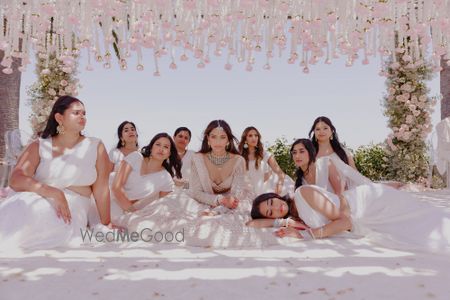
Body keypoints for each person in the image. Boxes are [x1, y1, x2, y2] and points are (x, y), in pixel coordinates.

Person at [250, 139, 450, 255]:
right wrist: (277, 221)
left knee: (427, 224)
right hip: (359, 214)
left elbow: (344, 220)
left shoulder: (303, 192)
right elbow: (252, 224)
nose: (275, 208)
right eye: (270, 212)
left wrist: (305, 235)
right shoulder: (294, 216)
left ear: (275, 196)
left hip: (367, 203)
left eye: (271, 202)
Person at [0, 96, 111, 251]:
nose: (82, 117)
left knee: (40, 215)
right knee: (22, 206)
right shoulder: (39, 145)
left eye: (84, 113)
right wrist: (53, 192)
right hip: (38, 196)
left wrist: (106, 223)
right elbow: (16, 179)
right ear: (59, 117)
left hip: (73, 205)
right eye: (76, 113)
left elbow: (102, 188)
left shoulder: (95, 145)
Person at [110, 133, 181, 221]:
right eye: (158, 144)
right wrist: (133, 212)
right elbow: (116, 188)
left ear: (169, 154)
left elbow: (162, 205)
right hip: (109, 198)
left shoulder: (166, 178)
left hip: (130, 210)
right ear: (151, 148)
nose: (161, 149)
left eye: (166, 147)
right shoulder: (135, 157)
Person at [238, 126, 294, 196]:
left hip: (271, 186)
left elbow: (280, 173)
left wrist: (279, 185)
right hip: (250, 189)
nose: (254, 138)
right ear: (245, 139)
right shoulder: (239, 156)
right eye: (250, 136)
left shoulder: (265, 154)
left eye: (256, 135)